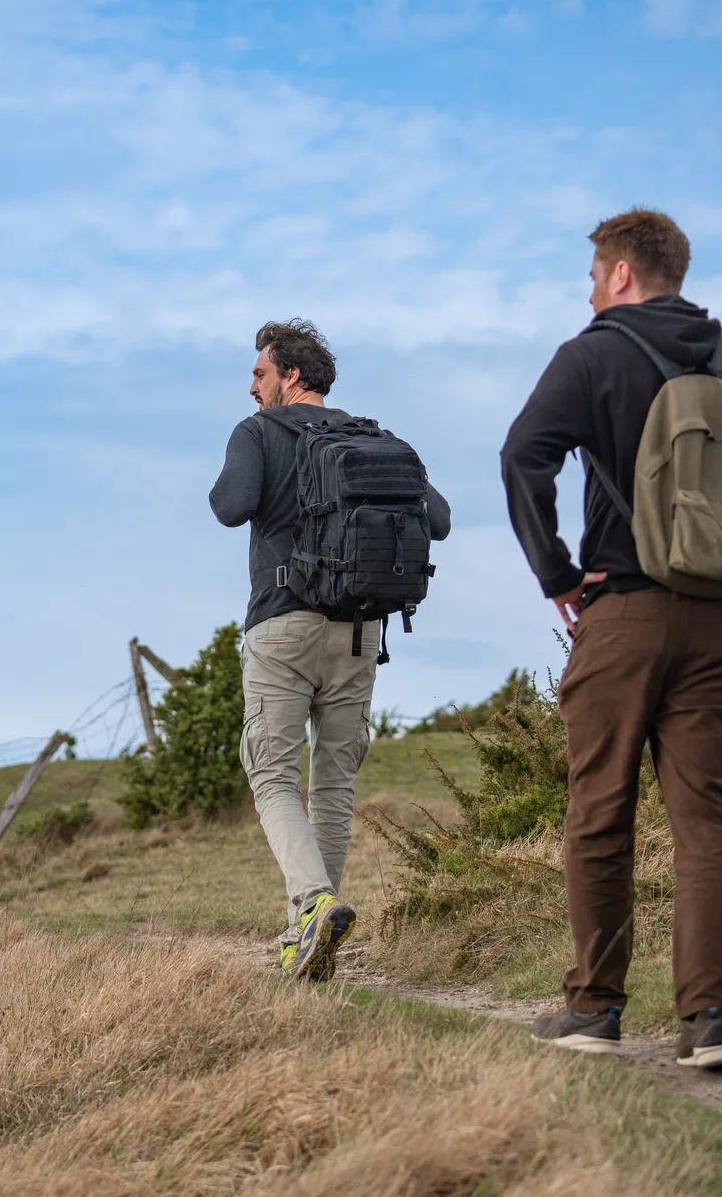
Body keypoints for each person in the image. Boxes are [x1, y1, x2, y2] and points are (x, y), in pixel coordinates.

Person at [500, 209, 722, 1067]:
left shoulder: (590, 354)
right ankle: (710, 1021)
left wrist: (555, 575)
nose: (588, 291)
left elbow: (523, 456)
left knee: (599, 812)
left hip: (620, 613)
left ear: (620, 273)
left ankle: (594, 1009)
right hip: (720, 625)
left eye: (592, 275)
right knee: (705, 819)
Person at [211, 319, 453, 981]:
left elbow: (230, 505)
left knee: (272, 775)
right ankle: (308, 939)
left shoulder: (257, 431)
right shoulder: (377, 439)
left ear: (290, 375)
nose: (252, 385)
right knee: (336, 784)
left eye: (259, 373)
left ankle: (313, 904)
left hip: (283, 624)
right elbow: (440, 517)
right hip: (359, 631)